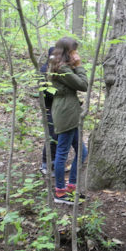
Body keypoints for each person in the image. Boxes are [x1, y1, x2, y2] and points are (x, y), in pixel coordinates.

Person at [48, 37, 88, 204]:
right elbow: (83, 84)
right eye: (73, 51)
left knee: (82, 152)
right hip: (66, 113)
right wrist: (79, 66)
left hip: (68, 111)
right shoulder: (63, 69)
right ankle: (60, 192)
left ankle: (71, 187)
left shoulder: (61, 66)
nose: (76, 54)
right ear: (66, 52)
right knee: (62, 153)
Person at [39, 47, 57, 175]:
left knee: (58, 136)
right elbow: (45, 91)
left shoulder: (57, 70)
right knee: (52, 135)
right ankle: (45, 164)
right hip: (49, 107)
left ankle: (55, 163)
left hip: (58, 107)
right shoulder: (45, 70)